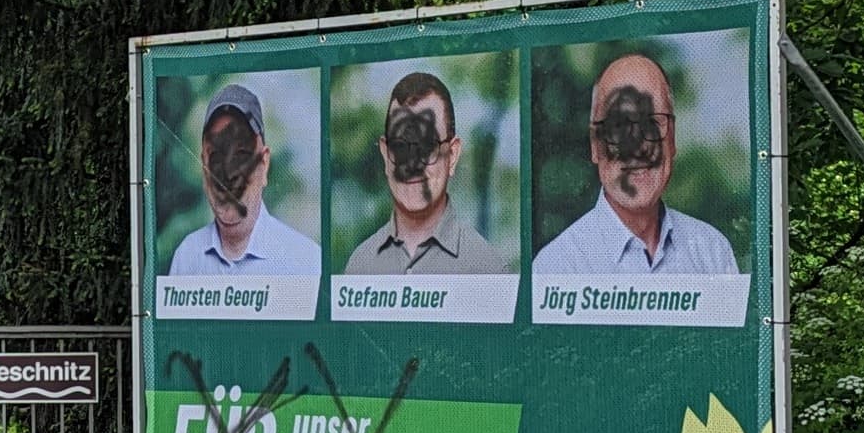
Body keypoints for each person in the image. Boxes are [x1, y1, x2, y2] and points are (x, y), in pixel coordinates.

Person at [534, 50, 741, 276]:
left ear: (672, 138)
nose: (637, 146)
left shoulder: (712, 253)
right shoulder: (557, 268)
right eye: (618, 127)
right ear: (595, 144)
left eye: (652, 122)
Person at [342, 70, 510, 275]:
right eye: (401, 147)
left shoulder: (487, 268)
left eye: (428, 146)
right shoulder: (359, 266)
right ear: (386, 155)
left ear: (453, 155)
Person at [165, 83, 319, 275]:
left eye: (241, 154)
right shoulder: (187, 257)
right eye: (216, 156)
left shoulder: (306, 261)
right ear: (204, 168)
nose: (228, 173)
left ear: (264, 164)